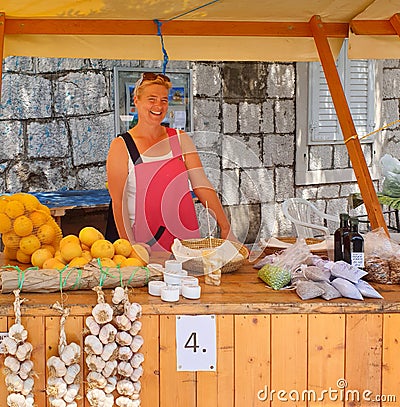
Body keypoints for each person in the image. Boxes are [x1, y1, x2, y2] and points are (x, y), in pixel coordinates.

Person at [106, 72, 237, 251]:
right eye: (151, 99)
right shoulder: (121, 146)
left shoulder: (180, 139)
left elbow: (201, 185)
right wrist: (130, 246)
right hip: (143, 242)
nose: (158, 106)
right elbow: (118, 202)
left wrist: (225, 227)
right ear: (136, 101)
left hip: (183, 239)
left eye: (164, 100)